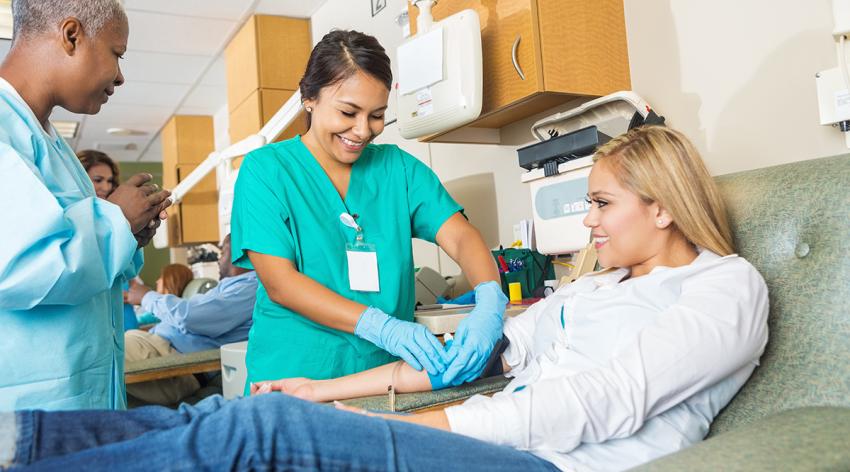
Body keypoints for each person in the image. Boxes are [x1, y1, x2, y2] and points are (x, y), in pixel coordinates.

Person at [0, 126, 769, 471]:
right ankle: (20, 441)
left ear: (662, 206)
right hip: (507, 431)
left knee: (259, 434)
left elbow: (597, 407)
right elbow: (455, 361)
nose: (588, 221)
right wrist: (320, 389)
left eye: (601, 204)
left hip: (556, 460)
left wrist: (443, 424)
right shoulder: (592, 291)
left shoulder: (724, 289)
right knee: (226, 414)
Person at [230, 30, 507, 389]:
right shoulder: (266, 171)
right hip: (292, 375)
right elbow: (281, 283)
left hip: (383, 378)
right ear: (309, 98)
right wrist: (382, 327)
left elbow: (459, 235)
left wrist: (489, 299)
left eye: (376, 115)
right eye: (348, 112)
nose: (362, 130)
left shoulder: (398, 169)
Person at [0, 0, 171, 411]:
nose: (120, 76)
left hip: (79, 396)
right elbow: (17, 266)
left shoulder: (51, 143)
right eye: (117, 54)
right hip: (32, 409)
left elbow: (87, 266)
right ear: (71, 35)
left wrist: (131, 235)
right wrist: (116, 219)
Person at [122, 235, 258, 405]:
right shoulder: (233, 286)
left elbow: (189, 317)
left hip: (170, 360)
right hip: (154, 348)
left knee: (92, 354)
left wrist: (146, 297)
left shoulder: (250, 288)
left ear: (240, 254)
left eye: (223, 252)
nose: (218, 260)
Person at [77, 149, 141, 331]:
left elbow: (129, 270)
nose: (106, 187)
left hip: (123, 318)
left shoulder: (118, 221)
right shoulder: (75, 224)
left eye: (110, 181)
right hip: (92, 320)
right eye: (98, 180)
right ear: (79, 177)